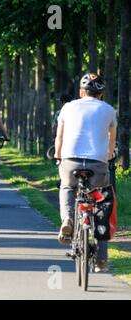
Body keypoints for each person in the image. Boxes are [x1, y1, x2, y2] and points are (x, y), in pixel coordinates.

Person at [54, 73, 116, 273]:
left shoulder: (68, 107)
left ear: (81, 92)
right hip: (97, 164)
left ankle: (68, 220)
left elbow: (59, 137)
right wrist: (106, 158)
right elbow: (111, 142)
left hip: (70, 161)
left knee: (67, 186)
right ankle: (101, 260)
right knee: (101, 203)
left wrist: (57, 155)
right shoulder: (109, 110)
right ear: (100, 94)